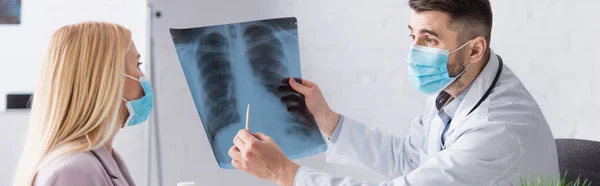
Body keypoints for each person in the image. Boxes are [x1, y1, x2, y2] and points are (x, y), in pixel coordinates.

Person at [228, 0, 559, 185]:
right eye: (412, 35)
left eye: (429, 39)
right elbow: (410, 159)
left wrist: (286, 173)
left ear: (475, 49)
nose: (414, 51)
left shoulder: (494, 129)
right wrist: (326, 118)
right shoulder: (459, 82)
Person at [12, 21, 153, 186]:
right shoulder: (76, 171)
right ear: (107, 80)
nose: (143, 77)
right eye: (137, 65)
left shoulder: (96, 163)